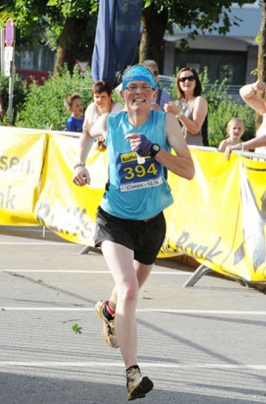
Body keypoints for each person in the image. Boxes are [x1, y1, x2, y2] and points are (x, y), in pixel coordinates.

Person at [72, 65, 195, 401]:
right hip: (114, 219)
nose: (138, 93)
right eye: (131, 87)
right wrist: (79, 164)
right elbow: (85, 131)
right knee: (128, 290)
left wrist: (155, 152)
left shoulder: (165, 123)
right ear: (123, 94)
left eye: (144, 87)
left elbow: (189, 170)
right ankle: (132, 374)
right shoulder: (110, 121)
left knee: (129, 291)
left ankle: (108, 311)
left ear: (154, 94)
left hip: (152, 223)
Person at [164, 66, 208, 146]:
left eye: (190, 78)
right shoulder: (177, 103)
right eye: (183, 79)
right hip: (177, 149)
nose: (187, 81)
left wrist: (178, 113)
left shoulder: (199, 100)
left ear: (196, 81)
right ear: (178, 83)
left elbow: (195, 129)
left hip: (194, 151)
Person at [83, 80, 123, 150]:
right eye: (97, 97)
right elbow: (85, 128)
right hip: (94, 149)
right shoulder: (91, 108)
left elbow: (122, 132)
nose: (100, 100)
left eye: (103, 96)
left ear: (109, 96)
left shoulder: (118, 109)